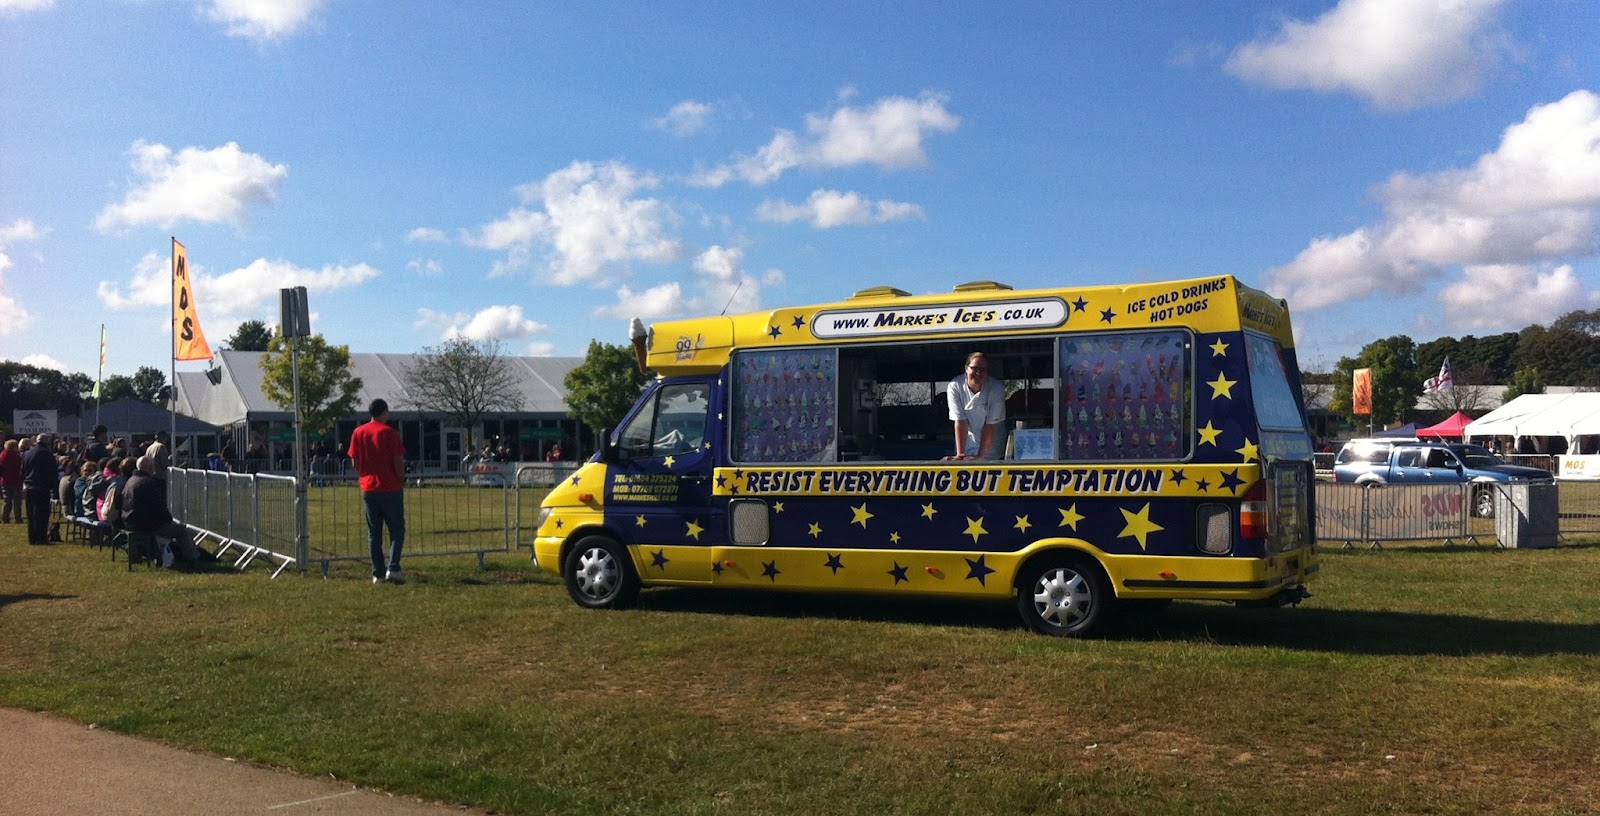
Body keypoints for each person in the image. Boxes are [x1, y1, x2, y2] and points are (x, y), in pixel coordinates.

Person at [349, 398, 407, 585]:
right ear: (384, 412)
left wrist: (363, 475)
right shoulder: (390, 433)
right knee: (397, 529)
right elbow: (398, 460)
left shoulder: (358, 432)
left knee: (374, 532)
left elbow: (354, 462)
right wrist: (401, 478)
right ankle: (394, 567)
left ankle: (378, 573)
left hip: (369, 487)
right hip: (390, 487)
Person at [122, 455, 210, 565]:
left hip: (130, 522)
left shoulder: (130, 481)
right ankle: (194, 558)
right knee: (182, 530)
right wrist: (168, 520)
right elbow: (159, 507)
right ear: (150, 467)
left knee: (176, 529)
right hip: (147, 525)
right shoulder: (148, 483)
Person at [944, 351, 1006, 461]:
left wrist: (980, 456)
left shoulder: (997, 389)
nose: (978, 373)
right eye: (974, 368)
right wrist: (960, 455)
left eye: (983, 370)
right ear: (966, 369)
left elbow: (990, 425)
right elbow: (960, 421)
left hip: (992, 452)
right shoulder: (955, 386)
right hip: (966, 449)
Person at [21, 434, 60, 545]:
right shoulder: (47, 454)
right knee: (42, 514)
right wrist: (53, 487)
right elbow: (52, 472)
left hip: (29, 486)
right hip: (42, 487)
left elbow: (22, 470)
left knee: (31, 514)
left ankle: (32, 538)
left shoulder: (27, 453)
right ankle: (41, 538)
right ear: (47, 442)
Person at [0, 439, 22, 523]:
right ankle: (18, 518)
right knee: (17, 501)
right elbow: (20, 466)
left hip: (5, 481)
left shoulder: (2, 454)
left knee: (7, 501)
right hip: (16, 480)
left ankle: (5, 518)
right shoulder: (16, 456)